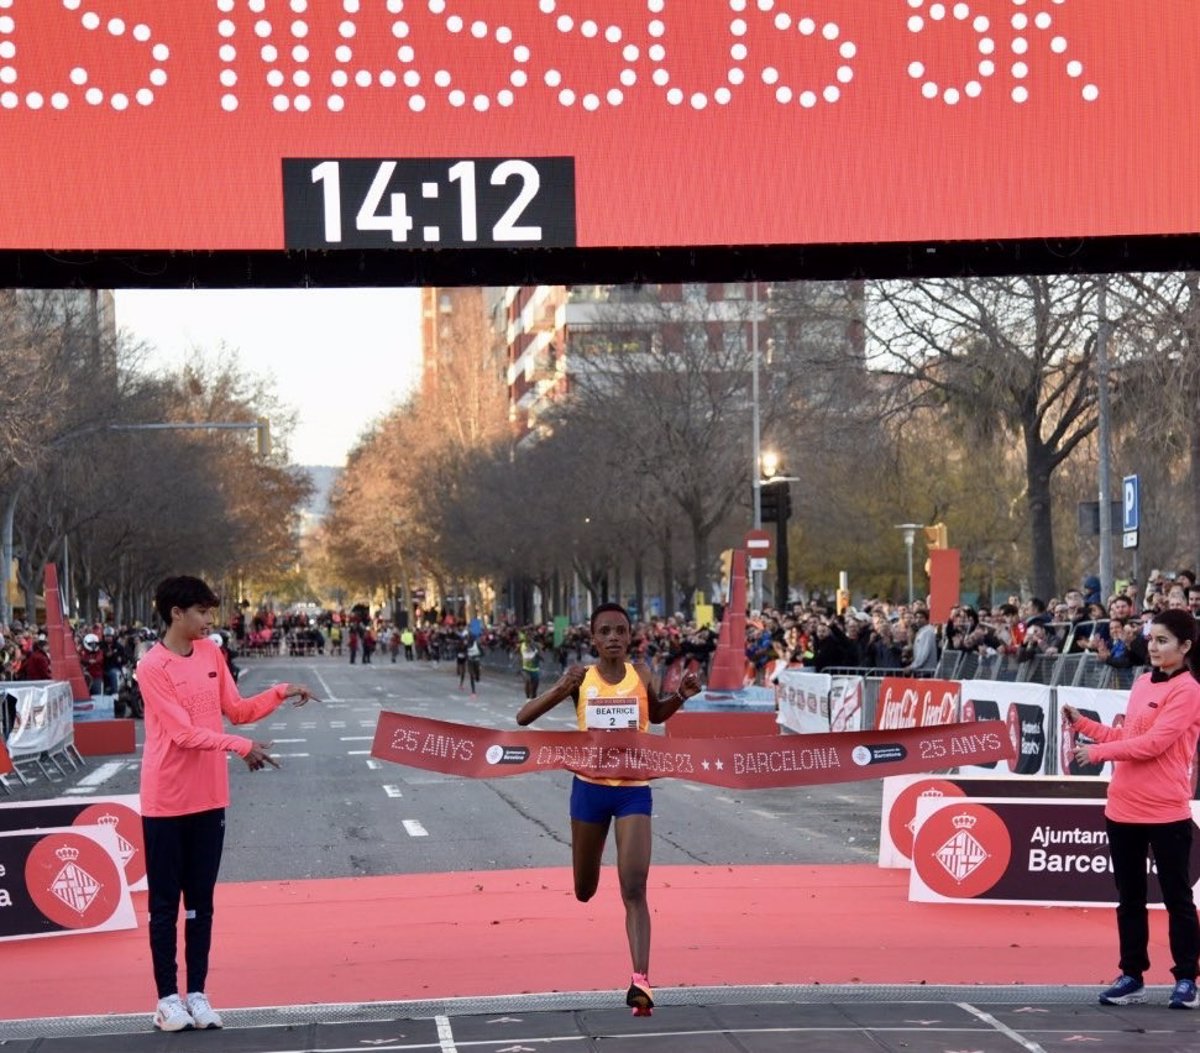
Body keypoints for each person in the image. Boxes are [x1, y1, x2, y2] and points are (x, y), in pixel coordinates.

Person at [138, 576, 317, 1032]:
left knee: (201, 903)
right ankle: (167, 999)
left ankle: (196, 993)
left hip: (209, 798)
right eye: (201, 612)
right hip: (165, 801)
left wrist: (280, 691)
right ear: (176, 613)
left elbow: (235, 710)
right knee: (165, 906)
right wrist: (240, 747)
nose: (208, 621)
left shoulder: (212, 653)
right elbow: (182, 734)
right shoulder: (152, 667)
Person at [516, 603, 702, 1017]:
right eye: (606, 631)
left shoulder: (643, 675)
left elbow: (655, 715)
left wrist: (679, 699)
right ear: (593, 638)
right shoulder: (581, 678)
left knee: (634, 888)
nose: (614, 637)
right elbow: (523, 718)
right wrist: (562, 688)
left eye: (621, 630)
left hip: (633, 791)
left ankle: (641, 982)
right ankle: (588, 881)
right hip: (589, 792)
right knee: (584, 890)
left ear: (631, 635)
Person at [1062, 608, 1200, 1010]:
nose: (1154, 648)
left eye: (1163, 641)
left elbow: (1153, 744)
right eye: (1152, 640)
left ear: (1185, 646)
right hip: (1123, 808)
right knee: (1130, 898)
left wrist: (1098, 751)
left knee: (1177, 898)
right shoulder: (1141, 683)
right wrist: (1084, 725)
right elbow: (1129, 735)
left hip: (1166, 811)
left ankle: (1187, 979)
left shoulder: (1189, 691)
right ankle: (1132, 974)